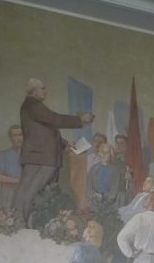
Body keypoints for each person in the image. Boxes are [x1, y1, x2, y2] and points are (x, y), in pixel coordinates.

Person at [12, 78, 94, 224]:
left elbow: (44, 131)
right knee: (32, 191)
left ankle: (26, 222)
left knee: (37, 191)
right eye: (43, 88)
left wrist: (64, 143)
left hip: (40, 157)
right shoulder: (33, 105)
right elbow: (55, 120)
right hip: (40, 158)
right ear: (34, 91)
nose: (45, 91)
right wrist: (80, 119)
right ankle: (18, 222)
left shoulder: (33, 106)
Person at [0, 124, 23, 211]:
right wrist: (17, 180)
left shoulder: (33, 155)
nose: (19, 138)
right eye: (15, 135)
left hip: (26, 196)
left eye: (21, 134)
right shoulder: (3, 155)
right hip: (8, 196)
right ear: (10, 138)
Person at [85, 142, 125, 210]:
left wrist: (102, 197)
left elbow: (113, 192)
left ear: (111, 155)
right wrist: (93, 196)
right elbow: (88, 188)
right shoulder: (93, 168)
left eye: (107, 152)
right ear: (99, 154)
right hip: (94, 202)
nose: (104, 154)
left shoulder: (114, 170)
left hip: (109, 203)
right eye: (102, 152)